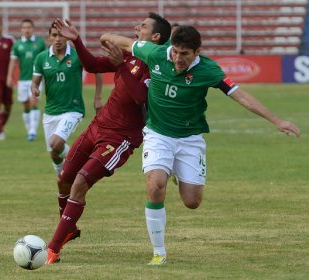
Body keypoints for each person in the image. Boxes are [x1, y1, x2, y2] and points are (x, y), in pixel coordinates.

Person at [100, 25, 301, 265]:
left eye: (184, 54)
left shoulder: (209, 70)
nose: (177, 58)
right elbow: (121, 41)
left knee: (192, 202)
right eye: (175, 51)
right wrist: (104, 38)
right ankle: (159, 252)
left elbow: (242, 97)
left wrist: (276, 120)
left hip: (190, 139)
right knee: (155, 186)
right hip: (158, 134)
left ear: (197, 52)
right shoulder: (155, 54)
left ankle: (174, 170)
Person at [44, 13, 171, 265]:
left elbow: (139, 98)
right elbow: (91, 65)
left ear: (155, 37)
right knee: (64, 180)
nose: (136, 27)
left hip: (121, 137)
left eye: (143, 26)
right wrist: (77, 41)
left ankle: (51, 249)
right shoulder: (130, 55)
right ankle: (68, 227)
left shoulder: (159, 67)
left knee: (80, 182)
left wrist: (121, 66)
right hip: (97, 127)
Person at [31, 21, 103, 175]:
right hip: (50, 112)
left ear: (67, 38)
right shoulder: (41, 58)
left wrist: (97, 98)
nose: (58, 39)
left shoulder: (77, 56)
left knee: (56, 143)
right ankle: (62, 174)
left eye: (61, 35)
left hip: (73, 109)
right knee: (54, 152)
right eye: (54, 35)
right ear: (49, 38)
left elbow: (97, 70)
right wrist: (34, 89)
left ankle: (79, 166)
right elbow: (34, 82)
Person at [6, 19, 46, 141]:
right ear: (21, 29)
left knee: (33, 102)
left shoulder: (40, 43)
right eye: (24, 27)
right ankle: (29, 129)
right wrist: (9, 76)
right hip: (22, 79)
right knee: (25, 105)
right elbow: (13, 62)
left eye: (29, 27)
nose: (27, 29)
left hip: (36, 79)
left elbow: (45, 60)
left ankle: (33, 132)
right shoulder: (17, 45)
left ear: (33, 29)